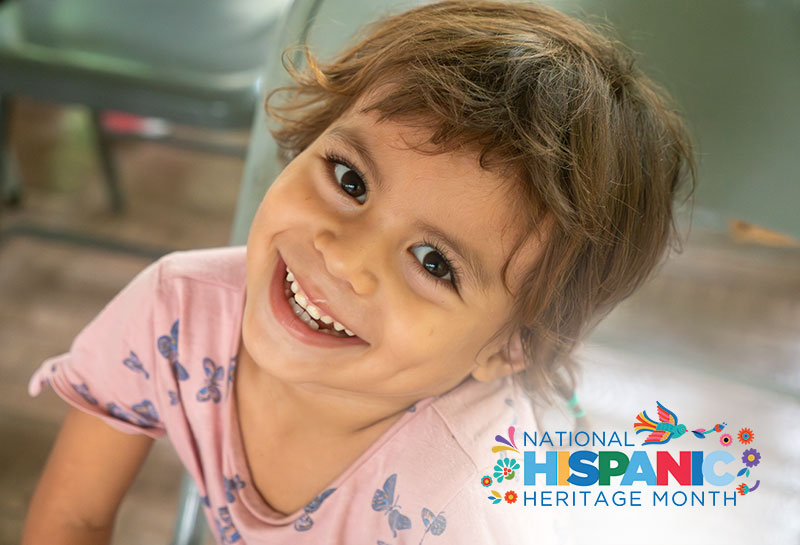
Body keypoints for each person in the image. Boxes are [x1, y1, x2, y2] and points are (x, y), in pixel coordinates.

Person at [21, 1, 696, 543]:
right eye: (350, 178)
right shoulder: (176, 310)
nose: (344, 255)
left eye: (435, 262)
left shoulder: (465, 510)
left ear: (508, 346)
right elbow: (73, 518)